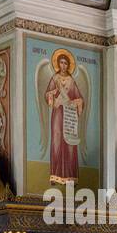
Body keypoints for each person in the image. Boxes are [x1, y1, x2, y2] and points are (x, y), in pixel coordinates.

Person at [41, 50, 84, 184]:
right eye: (61, 62)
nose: (63, 65)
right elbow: (48, 95)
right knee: (57, 141)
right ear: (58, 64)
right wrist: (52, 95)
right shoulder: (55, 79)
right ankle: (55, 175)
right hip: (58, 114)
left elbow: (79, 98)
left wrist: (75, 102)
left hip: (69, 116)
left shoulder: (71, 80)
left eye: (66, 63)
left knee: (69, 143)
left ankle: (70, 177)